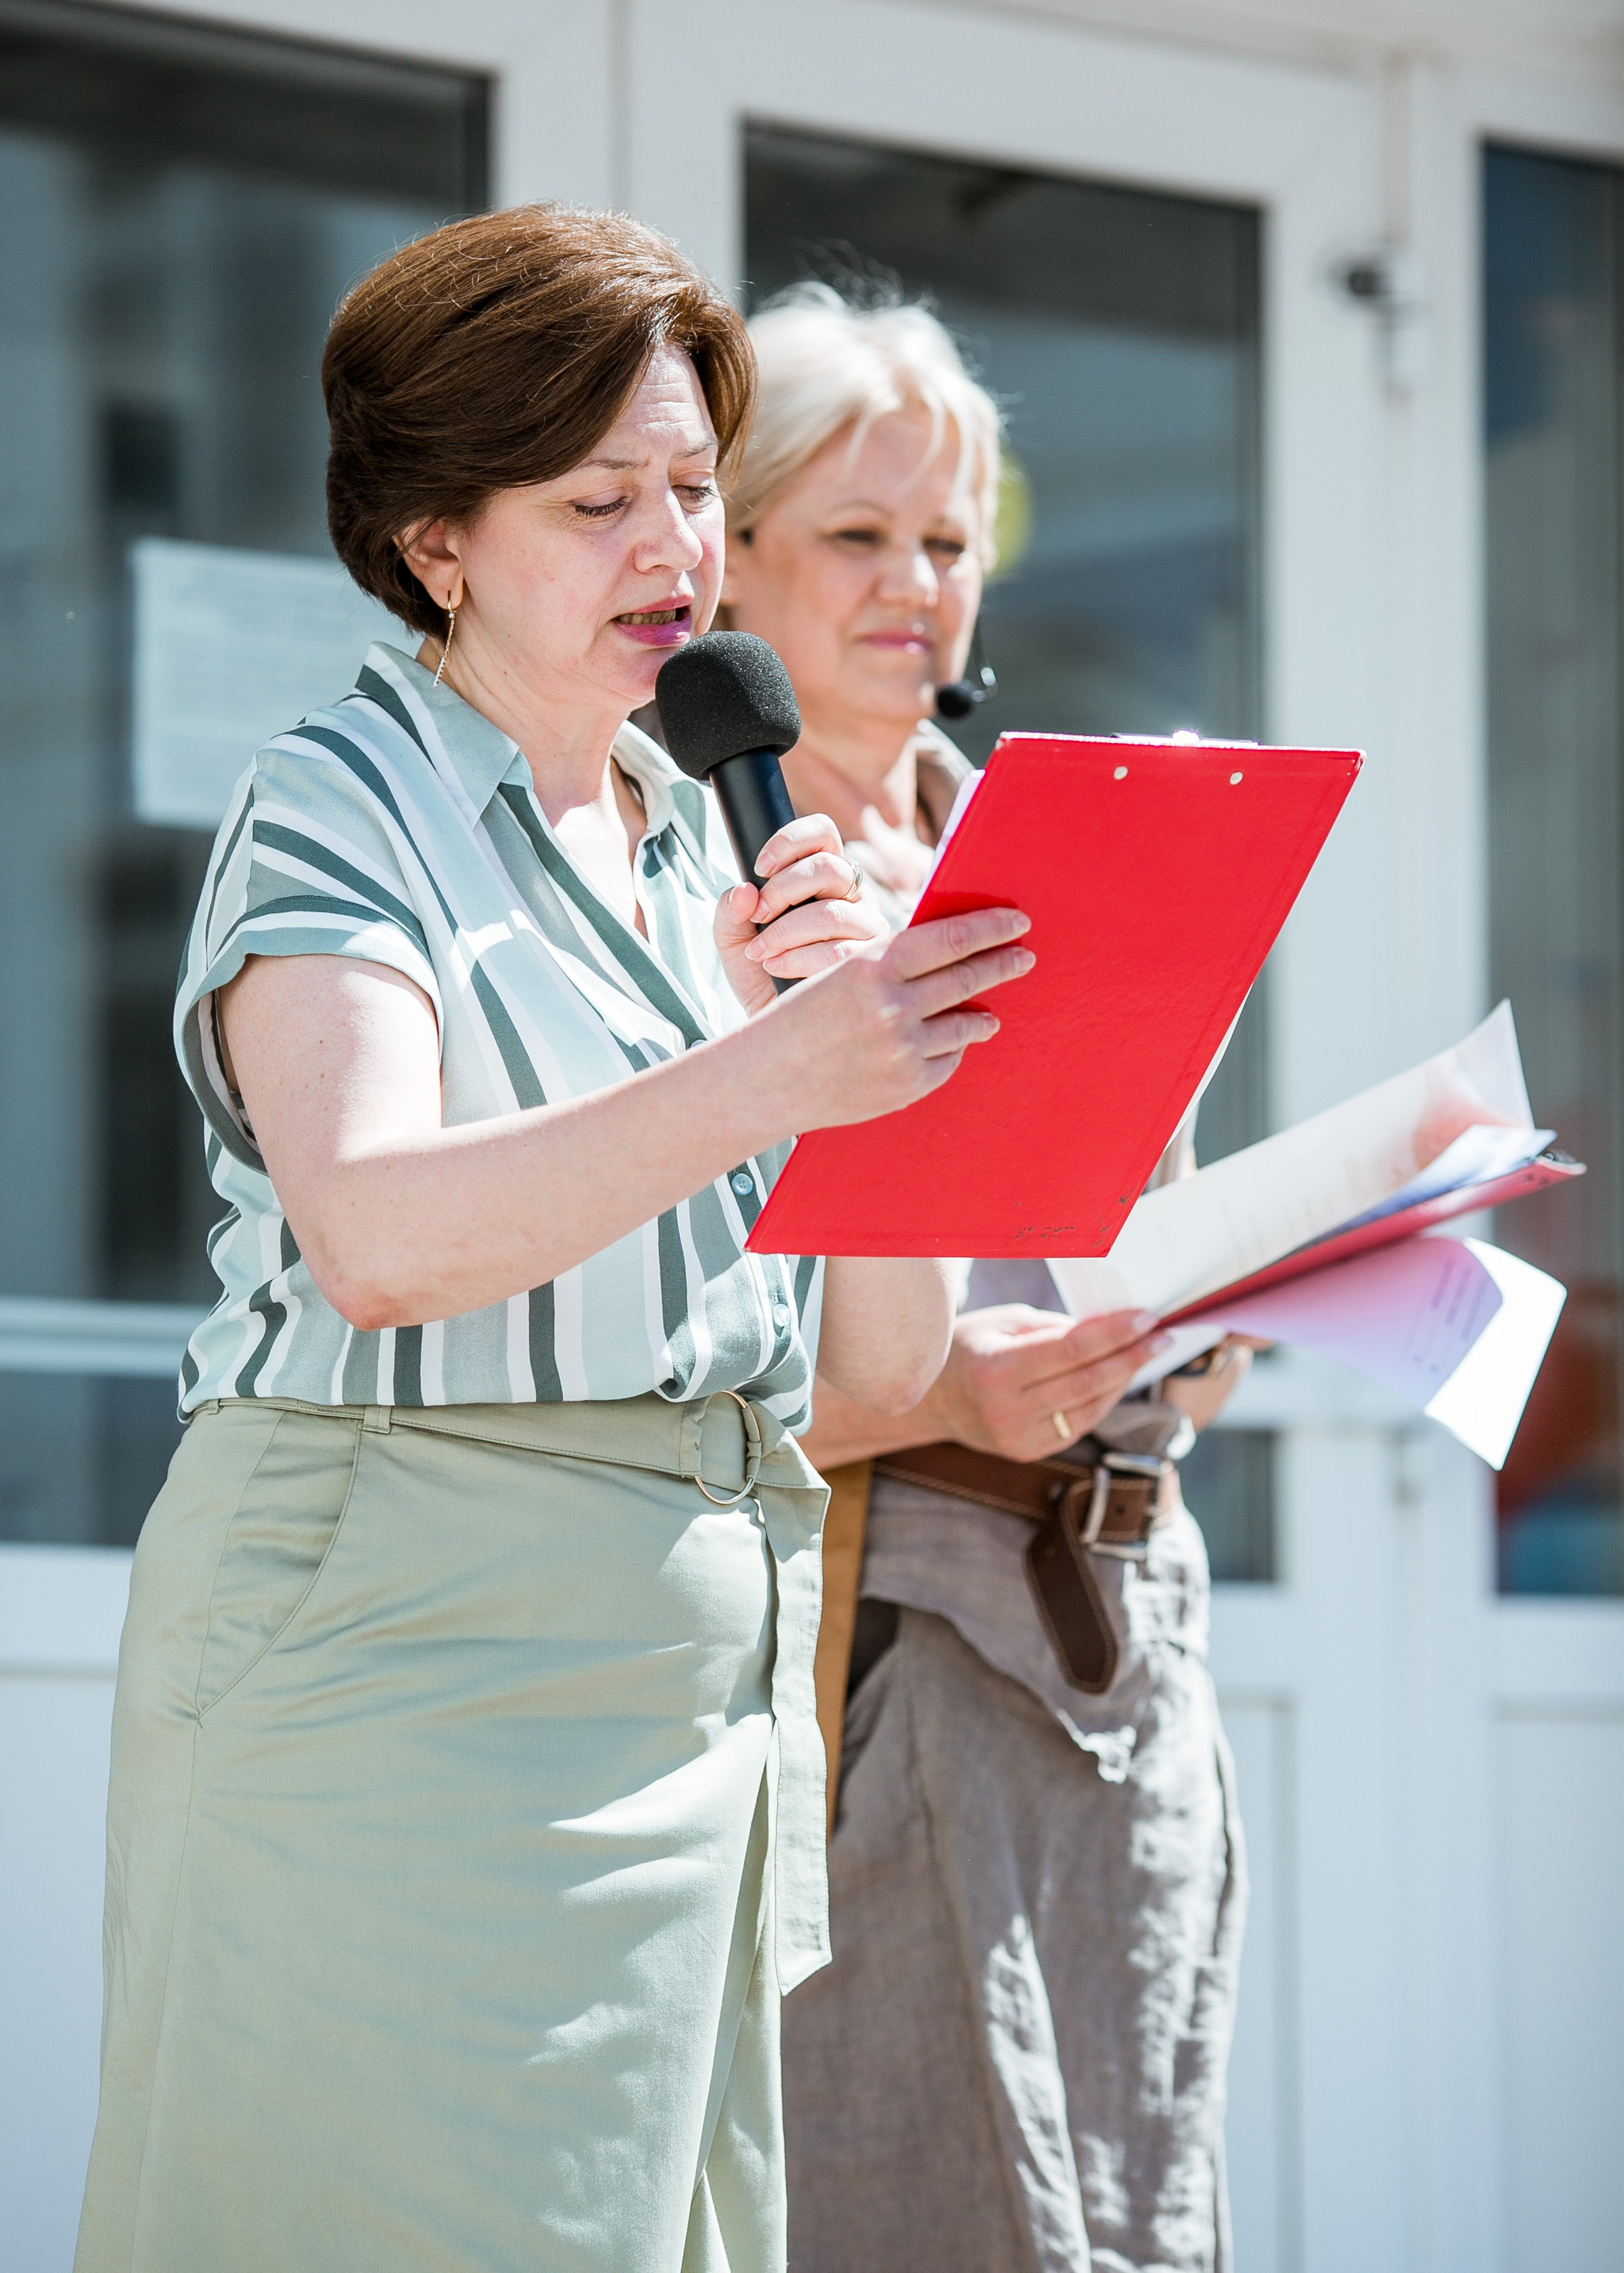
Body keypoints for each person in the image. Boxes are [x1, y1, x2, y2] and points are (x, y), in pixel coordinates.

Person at [74, 211, 1038, 2273]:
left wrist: (895, 1072)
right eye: (599, 502)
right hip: (399, 1648)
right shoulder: (340, 797)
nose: (673, 548)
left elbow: (875, 1377)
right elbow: (375, 1231)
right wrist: (771, 1071)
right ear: (437, 539)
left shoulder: (708, 840)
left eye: (691, 487)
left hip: (696, 1686)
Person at [719, 282, 1252, 2273]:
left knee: (1134, 2204)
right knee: (917, 2201)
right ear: (731, 557)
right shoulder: (697, 877)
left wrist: (1205, 1318)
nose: (914, 584)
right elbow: (659, 1336)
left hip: (1132, 1624)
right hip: (885, 1633)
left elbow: (1143, 1250)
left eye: (947, 541)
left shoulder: (1049, 844)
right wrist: (950, 1394)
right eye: (856, 534)